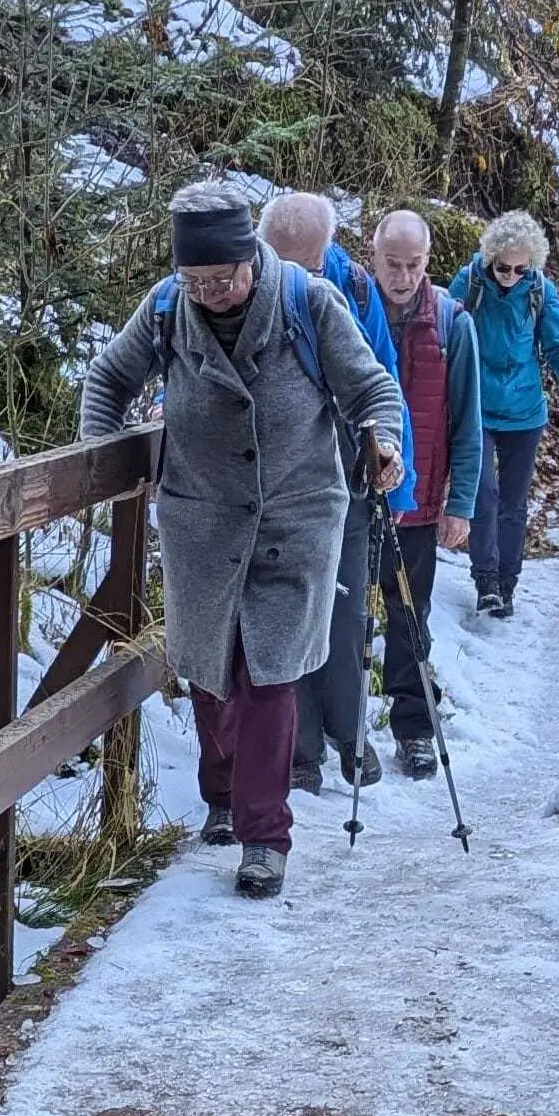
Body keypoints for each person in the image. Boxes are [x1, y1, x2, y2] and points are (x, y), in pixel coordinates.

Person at [80, 180, 405, 899]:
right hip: (201, 521)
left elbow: (371, 388)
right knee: (209, 673)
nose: (210, 292)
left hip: (294, 519)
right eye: (196, 280)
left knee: (270, 678)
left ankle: (265, 837)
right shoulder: (168, 307)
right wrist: (96, 462)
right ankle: (222, 797)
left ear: (249, 260)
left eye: (221, 278)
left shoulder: (306, 300)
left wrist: (384, 442)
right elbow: (108, 378)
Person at [258, 193, 415, 797]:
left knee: (346, 612)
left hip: (347, 481)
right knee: (290, 613)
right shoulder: (242, 287)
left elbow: (383, 376)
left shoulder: (353, 284)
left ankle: (350, 737)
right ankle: (300, 750)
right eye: (285, 264)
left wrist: (393, 462)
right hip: (275, 488)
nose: (299, 279)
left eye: (310, 266)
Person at [370, 210, 483, 779]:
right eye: (393, 263)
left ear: (428, 262)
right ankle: (334, 735)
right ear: (374, 257)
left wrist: (460, 503)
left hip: (417, 502)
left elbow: (467, 420)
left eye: (414, 264)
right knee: (339, 619)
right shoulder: (348, 308)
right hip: (353, 500)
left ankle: (413, 726)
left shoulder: (453, 323)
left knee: (409, 616)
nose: (403, 275)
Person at [450, 211, 559, 619]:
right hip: (477, 407)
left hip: (526, 412)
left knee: (513, 502)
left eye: (519, 268)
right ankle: (486, 581)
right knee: (484, 495)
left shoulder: (540, 291)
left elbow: (557, 342)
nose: (510, 275)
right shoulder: (471, 282)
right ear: (490, 258)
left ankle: (508, 583)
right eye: (502, 267)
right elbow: (443, 327)